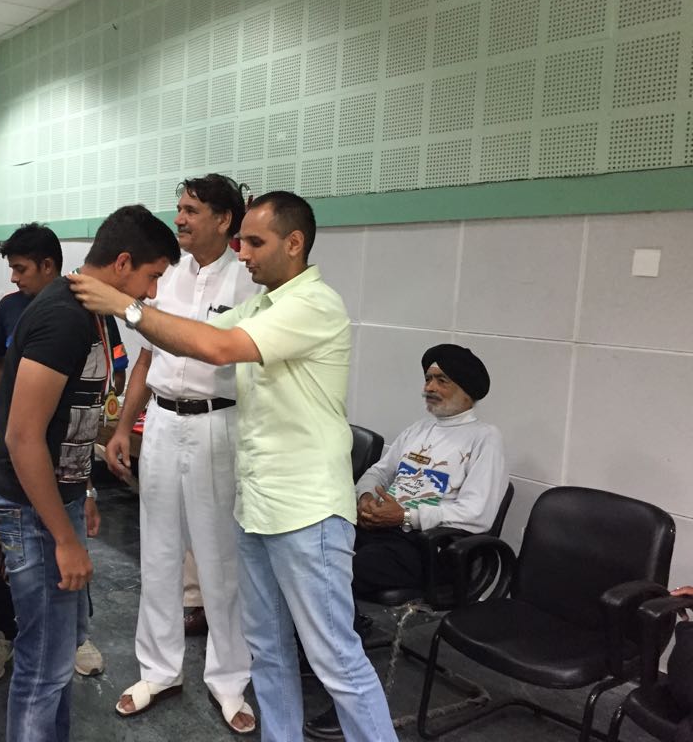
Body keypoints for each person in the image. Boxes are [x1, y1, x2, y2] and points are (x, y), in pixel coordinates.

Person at [70, 191, 397, 742]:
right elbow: (194, 339)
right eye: (241, 241)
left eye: (255, 242)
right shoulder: (263, 304)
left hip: (306, 510)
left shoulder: (314, 304)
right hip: (258, 501)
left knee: (335, 659)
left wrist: (124, 305)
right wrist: (128, 307)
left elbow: (220, 350)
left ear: (294, 243)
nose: (243, 253)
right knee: (267, 647)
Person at [0, 205, 179, 742]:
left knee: (58, 654)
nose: (153, 292)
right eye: (152, 276)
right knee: (44, 664)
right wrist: (64, 538)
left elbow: (70, 420)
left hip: (54, 498)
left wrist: (82, 488)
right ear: (123, 262)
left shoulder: (93, 312)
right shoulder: (63, 317)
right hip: (30, 508)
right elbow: (24, 437)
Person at [105, 174, 260, 733]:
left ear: (224, 219)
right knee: (159, 552)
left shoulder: (248, 281)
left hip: (219, 423)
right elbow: (146, 360)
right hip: (163, 422)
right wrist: (122, 428)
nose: (181, 219)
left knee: (221, 560)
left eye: (192, 210)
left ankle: (229, 679)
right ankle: (159, 670)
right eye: (180, 208)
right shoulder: (166, 275)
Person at [304, 343, 508, 740]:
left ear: (466, 390)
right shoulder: (418, 430)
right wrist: (366, 497)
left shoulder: (485, 439)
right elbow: (378, 471)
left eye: (441, 380)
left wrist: (406, 516)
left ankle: (352, 698)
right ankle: (320, 651)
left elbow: (478, 513)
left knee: (334, 570)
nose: (429, 387)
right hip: (383, 529)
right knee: (309, 548)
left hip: (431, 549)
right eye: (428, 379)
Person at [0, 222, 128, 682]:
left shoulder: (91, 310)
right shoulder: (11, 308)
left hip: (67, 463)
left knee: (70, 551)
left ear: (48, 266)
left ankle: (76, 635)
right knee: (13, 552)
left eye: (21, 268)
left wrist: (89, 486)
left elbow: (103, 385)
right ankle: (1, 632)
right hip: (16, 450)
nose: (14, 277)